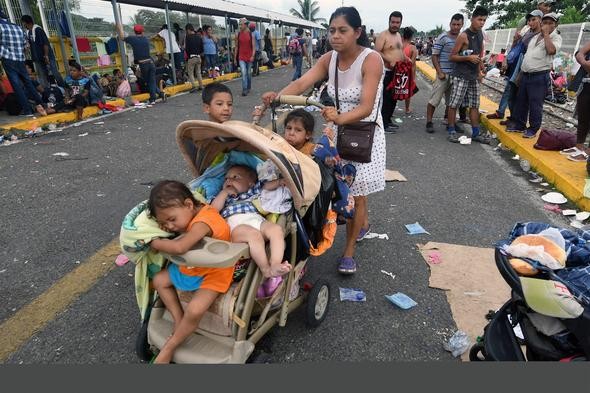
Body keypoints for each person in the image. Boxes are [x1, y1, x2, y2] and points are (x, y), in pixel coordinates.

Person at [262, 6, 385, 275]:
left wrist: (340, 119)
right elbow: (301, 83)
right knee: (329, 185)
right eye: (332, 31)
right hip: (335, 131)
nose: (336, 36)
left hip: (363, 134)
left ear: (357, 32)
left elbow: (366, 106)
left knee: (356, 194)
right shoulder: (328, 59)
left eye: (343, 31)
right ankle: (357, 224)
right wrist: (277, 97)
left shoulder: (371, 59)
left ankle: (349, 251)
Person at [148, 180, 233, 364]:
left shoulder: (204, 220)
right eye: (164, 224)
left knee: (195, 310)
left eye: (171, 220)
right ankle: (179, 320)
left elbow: (180, 246)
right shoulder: (189, 214)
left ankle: (170, 347)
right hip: (192, 266)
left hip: (214, 271)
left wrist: (154, 243)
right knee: (159, 280)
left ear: (188, 204)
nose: (169, 227)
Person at [211, 165, 291, 278]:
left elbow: (266, 186)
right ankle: (265, 269)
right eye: (226, 178)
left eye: (235, 177)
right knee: (253, 234)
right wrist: (224, 193)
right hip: (235, 229)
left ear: (250, 184)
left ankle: (275, 263)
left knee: (276, 229)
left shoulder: (251, 192)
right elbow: (213, 210)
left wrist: (280, 182)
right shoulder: (224, 198)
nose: (229, 180)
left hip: (255, 220)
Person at [506, 13, 562, 140]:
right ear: (541, 23)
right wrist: (520, 74)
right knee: (522, 101)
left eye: (550, 23)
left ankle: (533, 128)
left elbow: (551, 51)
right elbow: (527, 56)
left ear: (555, 25)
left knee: (535, 104)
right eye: (545, 22)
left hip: (539, 76)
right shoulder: (535, 37)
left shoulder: (556, 38)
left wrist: (546, 34)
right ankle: (520, 125)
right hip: (526, 74)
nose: (547, 25)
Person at [487, 10, 543, 123]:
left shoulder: (540, 35)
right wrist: (507, 58)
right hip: (515, 65)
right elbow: (516, 46)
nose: (530, 22)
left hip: (523, 67)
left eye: (533, 20)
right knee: (511, 90)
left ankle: (511, 117)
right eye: (529, 20)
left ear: (540, 20)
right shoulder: (527, 31)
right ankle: (509, 116)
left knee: (513, 91)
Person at [447, 6, 489, 144]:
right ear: (472, 19)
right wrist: (468, 58)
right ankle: (451, 130)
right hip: (460, 76)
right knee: (454, 104)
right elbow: (452, 56)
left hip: (473, 76)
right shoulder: (463, 36)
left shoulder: (480, 34)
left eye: (484, 20)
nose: (481, 23)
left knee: (475, 105)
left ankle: (476, 133)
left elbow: (479, 54)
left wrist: (480, 71)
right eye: (479, 19)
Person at [0, 9, 45, 117]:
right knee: (28, 82)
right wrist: (20, 54)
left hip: (8, 59)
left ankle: (28, 111)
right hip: (20, 59)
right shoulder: (18, 27)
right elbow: (26, 46)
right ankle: (42, 104)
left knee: (17, 86)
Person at [425, 13, 464, 133]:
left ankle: (449, 121)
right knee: (434, 100)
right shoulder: (443, 37)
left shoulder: (462, 38)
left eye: (458, 25)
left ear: (462, 25)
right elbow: (434, 56)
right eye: (454, 24)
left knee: (451, 102)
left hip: (456, 75)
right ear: (450, 24)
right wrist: (439, 72)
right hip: (443, 74)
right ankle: (429, 122)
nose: (456, 27)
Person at [116, 23, 166, 104]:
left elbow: (121, 37)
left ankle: (153, 99)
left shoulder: (133, 39)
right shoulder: (145, 39)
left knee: (149, 82)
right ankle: (160, 94)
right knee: (151, 81)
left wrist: (120, 28)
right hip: (151, 62)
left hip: (143, 64)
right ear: (142, 32)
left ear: (134, 31)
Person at [375, 11, 404, 133]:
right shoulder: (383, 35)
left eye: (397, 22)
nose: (395, 24)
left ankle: (388, 120)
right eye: (393, 22)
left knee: (394, 98)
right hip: (386, 72)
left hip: (397, 72)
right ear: (389, 21)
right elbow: (376, 52)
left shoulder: (398, 36)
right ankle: (383, 124)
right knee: (385, 99)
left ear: (400, 23)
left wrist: (405, 59)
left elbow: (399, 51)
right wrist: (389, 60)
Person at [21, 15, 64, 88]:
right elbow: (29, 45)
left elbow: (45, 43)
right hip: (38, 58)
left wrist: (46, 55)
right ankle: (49, 90)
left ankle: (63, 86)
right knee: (43, 74)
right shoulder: (28, 32)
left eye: (23, 23)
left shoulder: (38, 30)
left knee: (54, 72)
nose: (23, 25)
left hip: (46, 56)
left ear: (25, 22)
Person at [570, 41, 590, 161]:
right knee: (583, 117)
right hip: (586, 82)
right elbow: (579, 53)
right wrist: (585, 63)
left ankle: (588, 153)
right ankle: (579, 147)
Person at [398, 26, 419, 114]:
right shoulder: (413, 48)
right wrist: (413, 76)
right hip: (407, 71)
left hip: (397, 70)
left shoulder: (399, 45)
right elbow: (412, 63)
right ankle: (407, 109)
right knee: (408, 90)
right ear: (411, 37)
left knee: (395, 88)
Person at [234, 18, 255, 96]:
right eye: (239, 24)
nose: (240, 26)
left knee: (249, 73)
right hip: (241, 57)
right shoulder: (238, 34)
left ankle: (248, 87)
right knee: (243, 72)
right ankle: (244, 89)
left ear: (246, 25)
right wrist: (235, 58)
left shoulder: (251, 34)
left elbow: (253, 47)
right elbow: (236, 46)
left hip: (249, 57)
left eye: (241, 24)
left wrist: (253, 56)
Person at [184, 24, 204, 92]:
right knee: (198, 72)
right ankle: (201, 86)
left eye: (187, 31)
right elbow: (202, 48)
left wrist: (189, 56)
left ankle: (194, 86)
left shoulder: (188, 37)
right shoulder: (199, 37)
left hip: (192, 57)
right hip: (199, 57)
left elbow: (187, 49)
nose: (187, 32)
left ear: (188, 30)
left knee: (191, 73)